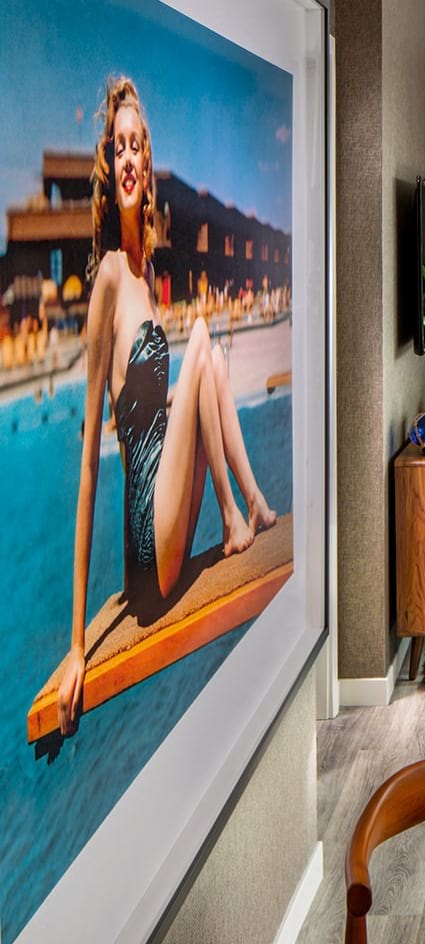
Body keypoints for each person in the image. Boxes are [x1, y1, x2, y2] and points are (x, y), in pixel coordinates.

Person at [54, 75, 278, 734]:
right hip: (148, 548)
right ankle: (243, 513)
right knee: (205, 339)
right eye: (118, 147)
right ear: (110, 165)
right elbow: (94, 466)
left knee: (205, 362)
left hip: (165, 516)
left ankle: (247, 515)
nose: (128, 159)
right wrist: (76, 648)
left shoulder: (144, 272)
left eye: (137, 147)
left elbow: (149, 411)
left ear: (147, 163)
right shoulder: (108, 284)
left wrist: (182, 394)